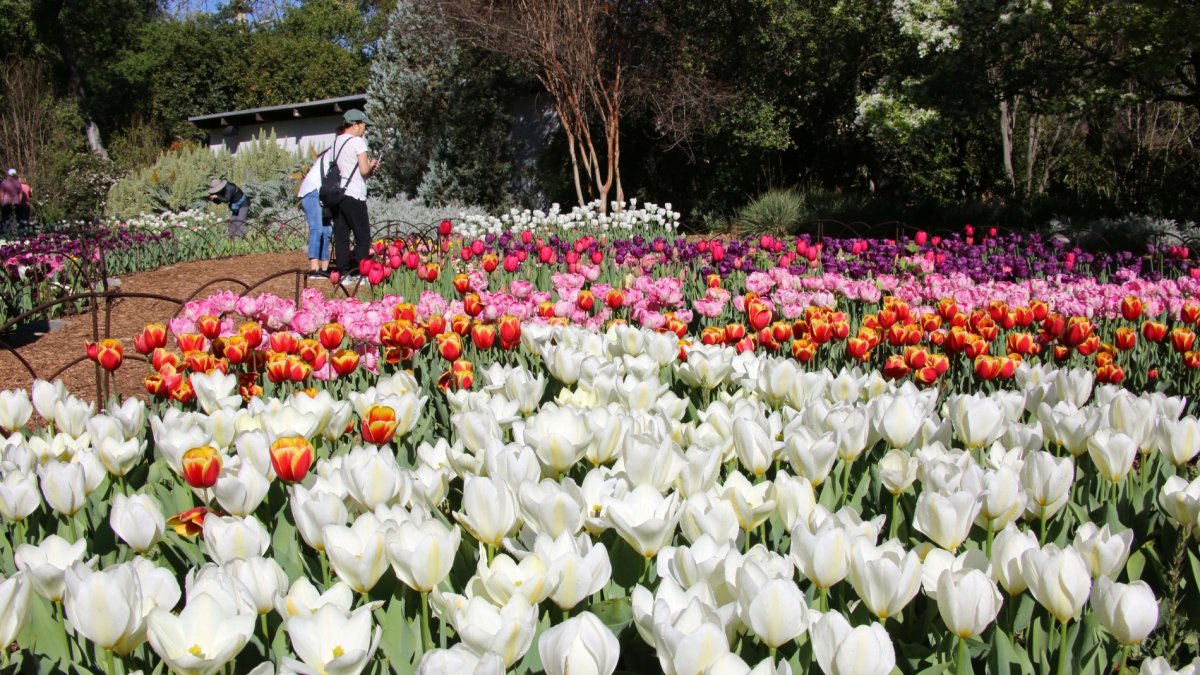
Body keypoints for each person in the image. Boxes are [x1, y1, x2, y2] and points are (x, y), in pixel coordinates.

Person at [327, 109, 379, 285]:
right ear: (355, 124)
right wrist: (372, 167)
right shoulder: (358, 142)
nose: (365, 128)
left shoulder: (336, 143)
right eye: (364, 125)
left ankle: (343, 273)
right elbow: (364, 171)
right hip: (354, 194)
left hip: (338, 194)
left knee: (341, 235)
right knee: (362, 236)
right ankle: (360, 272)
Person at [297, 130, 340, 279]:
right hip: (312, 192)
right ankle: (314, 269)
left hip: (323, 194)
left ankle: (324, 268)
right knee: (317, 229)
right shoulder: (331, 153)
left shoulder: (336, 154)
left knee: (327, 231)